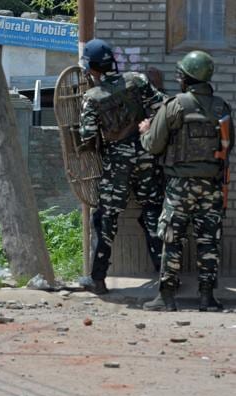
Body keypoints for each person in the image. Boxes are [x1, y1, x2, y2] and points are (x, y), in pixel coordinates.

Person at [140, 51, 234, 312]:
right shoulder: (221, 107)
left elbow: (154, 146)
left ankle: (167, 298)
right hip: (212, 187)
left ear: (186, 79)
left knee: (172, 239)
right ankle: (207, 298)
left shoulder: (174, 105)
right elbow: (229, 146)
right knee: (209, 242)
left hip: (180, 186)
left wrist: (145, 131)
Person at [79, 38, 166, 295]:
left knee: (106, 218)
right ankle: (166, 278)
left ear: (92, 68)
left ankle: (98, 279)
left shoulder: (92, 97)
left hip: (117, 162)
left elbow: (87, 135)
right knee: (153, 213)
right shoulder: (138, 80)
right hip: (147, 156)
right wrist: (148, 124)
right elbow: (163, 107)